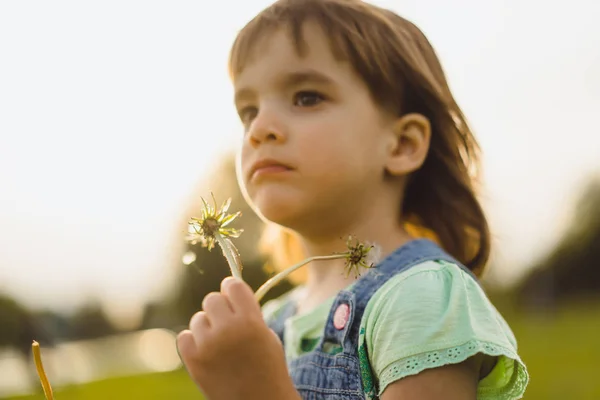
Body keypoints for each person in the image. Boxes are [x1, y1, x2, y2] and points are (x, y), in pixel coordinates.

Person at [176, 0, 529, 398]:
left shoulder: (422, 297)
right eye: (248, 110)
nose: (260, 128)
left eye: (306, 97)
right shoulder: (271, 321)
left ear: (402, 144)